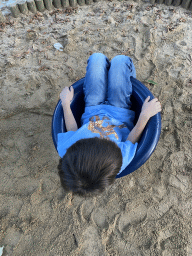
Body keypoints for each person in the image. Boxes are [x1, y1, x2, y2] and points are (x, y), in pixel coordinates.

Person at [57, 53, 161, 197]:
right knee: (120, 61)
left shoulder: (69, 153)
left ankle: (106, 67)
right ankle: (124, 76)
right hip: (121, 110)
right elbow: (131, 140)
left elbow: (73, 130)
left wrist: (66, 103)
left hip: (92, 107)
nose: (103, 138)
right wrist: (144, 115)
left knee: (96, 59)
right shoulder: (118, 160)